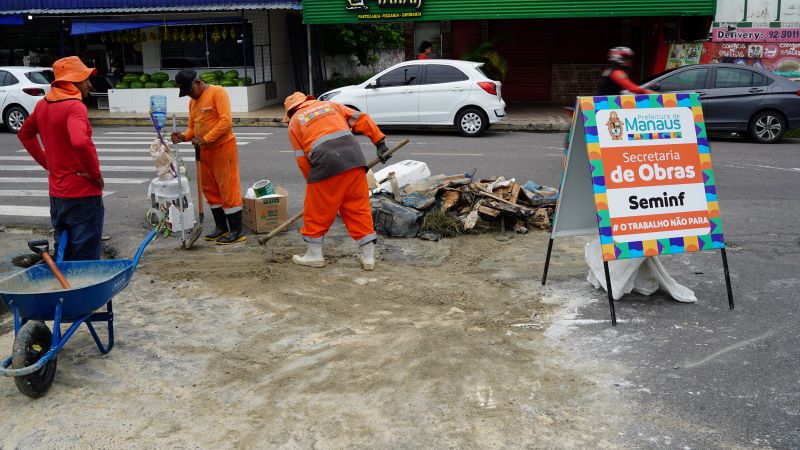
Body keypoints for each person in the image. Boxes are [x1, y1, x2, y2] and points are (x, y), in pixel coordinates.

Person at [283, 92, 388, 271]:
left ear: (291, 111)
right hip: (354, 160)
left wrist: (313, 181)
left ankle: (314, 255)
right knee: (358, 207)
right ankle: (369, 258)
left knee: (316, 210)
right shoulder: (331, 106)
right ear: (308, 100)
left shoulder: (295, 122)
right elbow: (360, 118)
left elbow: (302, 158)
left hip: (325, 163)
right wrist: (380, 142)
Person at [18, 56, 105, 261]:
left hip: (58, 196)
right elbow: (80, 142)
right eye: (85, 79)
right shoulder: (75, 107)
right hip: (82, 195)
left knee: (64, 252)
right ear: (73, 81)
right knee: (85, 260)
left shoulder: (43, 106)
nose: (89, 84)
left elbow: (25, 134)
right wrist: (96, 176)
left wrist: (47, 163)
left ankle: (64, 292)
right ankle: (83, 292)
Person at [171, 70, 245, 245]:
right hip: (204, 151)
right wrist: (183, 137)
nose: (189, 94)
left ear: (197, 82)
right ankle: (221, 227)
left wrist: (205, 138)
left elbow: (226, 122)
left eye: (190, 90)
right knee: (210, 189)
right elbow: (192, 128)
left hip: (222, 147)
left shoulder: (217, 92)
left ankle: (236, 230)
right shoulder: (192, 103)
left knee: (228, 187)